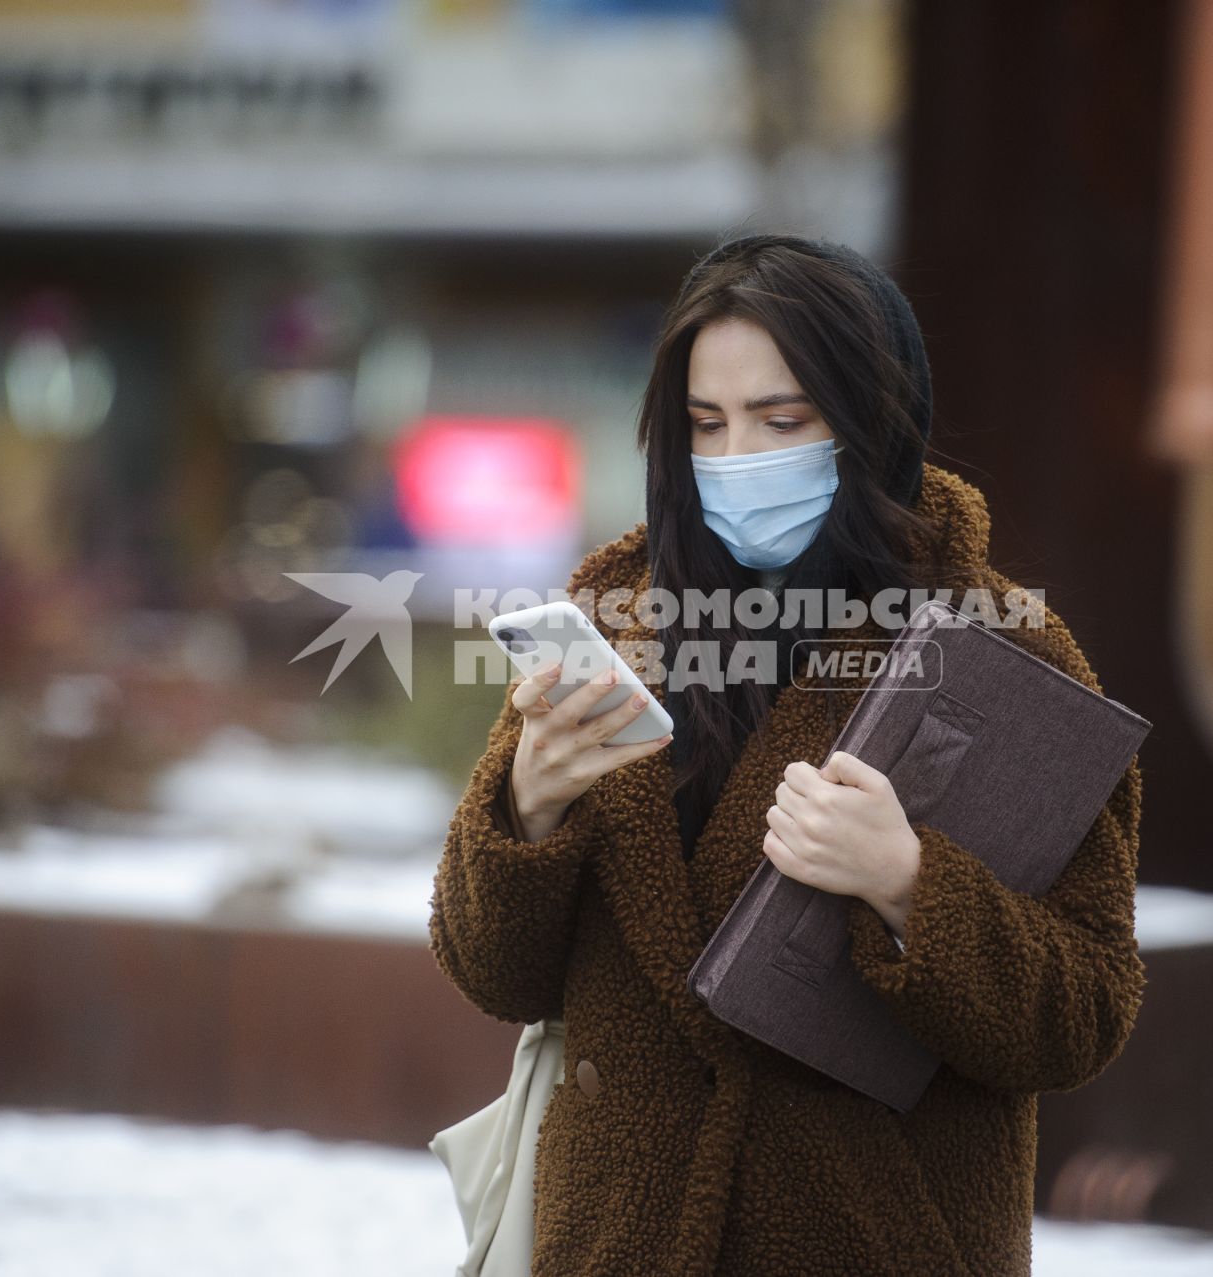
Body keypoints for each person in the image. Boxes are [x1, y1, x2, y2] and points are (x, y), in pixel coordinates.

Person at [429, 232, 1145, 1276]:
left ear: (870, 420)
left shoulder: (999, 644)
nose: (735, 461)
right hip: (615, 1240)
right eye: (704, 424)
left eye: (782, 420)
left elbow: (1084, 1010)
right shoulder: (614, 620)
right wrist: (525, 816)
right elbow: (489, 969)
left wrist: (909, 884)